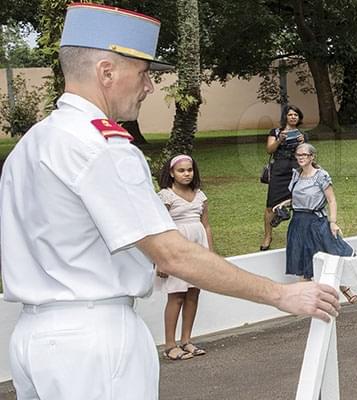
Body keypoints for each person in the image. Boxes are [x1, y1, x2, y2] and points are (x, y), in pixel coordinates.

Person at [0, 5, 339, 400]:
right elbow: (172, 255)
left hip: (32, 340)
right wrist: (280, 295)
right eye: (143, 73)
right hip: (93, 343)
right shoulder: (103, 147)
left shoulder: (30, 146)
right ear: (106, 72)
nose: (149, 87)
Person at [273, 143, 357, 303]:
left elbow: (331, 200)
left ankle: (344, 286)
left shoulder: (321, 175)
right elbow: (299, 198)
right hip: (298, 222)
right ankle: (304, 301)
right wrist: (284, 204)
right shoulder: (296, 175)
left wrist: (333, 222)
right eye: (298, 155)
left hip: (316, 222)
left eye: (304, 155)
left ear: (312, 157)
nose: (300, 158)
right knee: (302, 258)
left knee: (328, 252)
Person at [155, 155, 212, 360]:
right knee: (176, 295)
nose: (187, 174)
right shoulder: (166, 196)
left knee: (192, 294)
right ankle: (170, 344)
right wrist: (160, 259)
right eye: (181, 170)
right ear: (171, 173)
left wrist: (210, 253)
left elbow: (205, 225)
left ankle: (186, 340)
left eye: (190, 170)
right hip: (176, 250)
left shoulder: (199, 196)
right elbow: (159, 228)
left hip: (197, 249)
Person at [261, 105, 307, 251]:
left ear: (298, 118)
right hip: (279, 171)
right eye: (290, 114)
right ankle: (268, 236)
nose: (293, 117)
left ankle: (299, 234)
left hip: (296, 171)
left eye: (296, 115)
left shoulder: (302, 135)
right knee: (270, 206)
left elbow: (306, 155)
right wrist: (279, 140)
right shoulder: (275, 132)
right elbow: (269, 149)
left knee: (299, 204)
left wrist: (302, 143)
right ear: (285, 117)